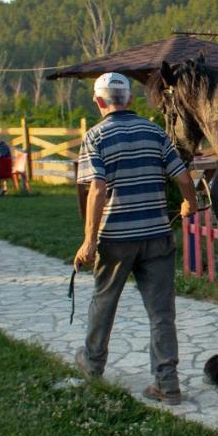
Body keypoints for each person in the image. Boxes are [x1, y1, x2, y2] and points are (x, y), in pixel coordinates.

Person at [72, 71, 199, 405]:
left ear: (99, 101)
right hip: (157, 235)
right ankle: (167, 384)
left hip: (115, 238)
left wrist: (89, 241)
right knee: (161, 312)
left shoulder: (95, 137)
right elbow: (183, 176)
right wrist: (191, 203)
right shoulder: (154, 131)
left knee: (104, 301)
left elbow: (96, 188)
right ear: (129, 99)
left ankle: (93, 366)